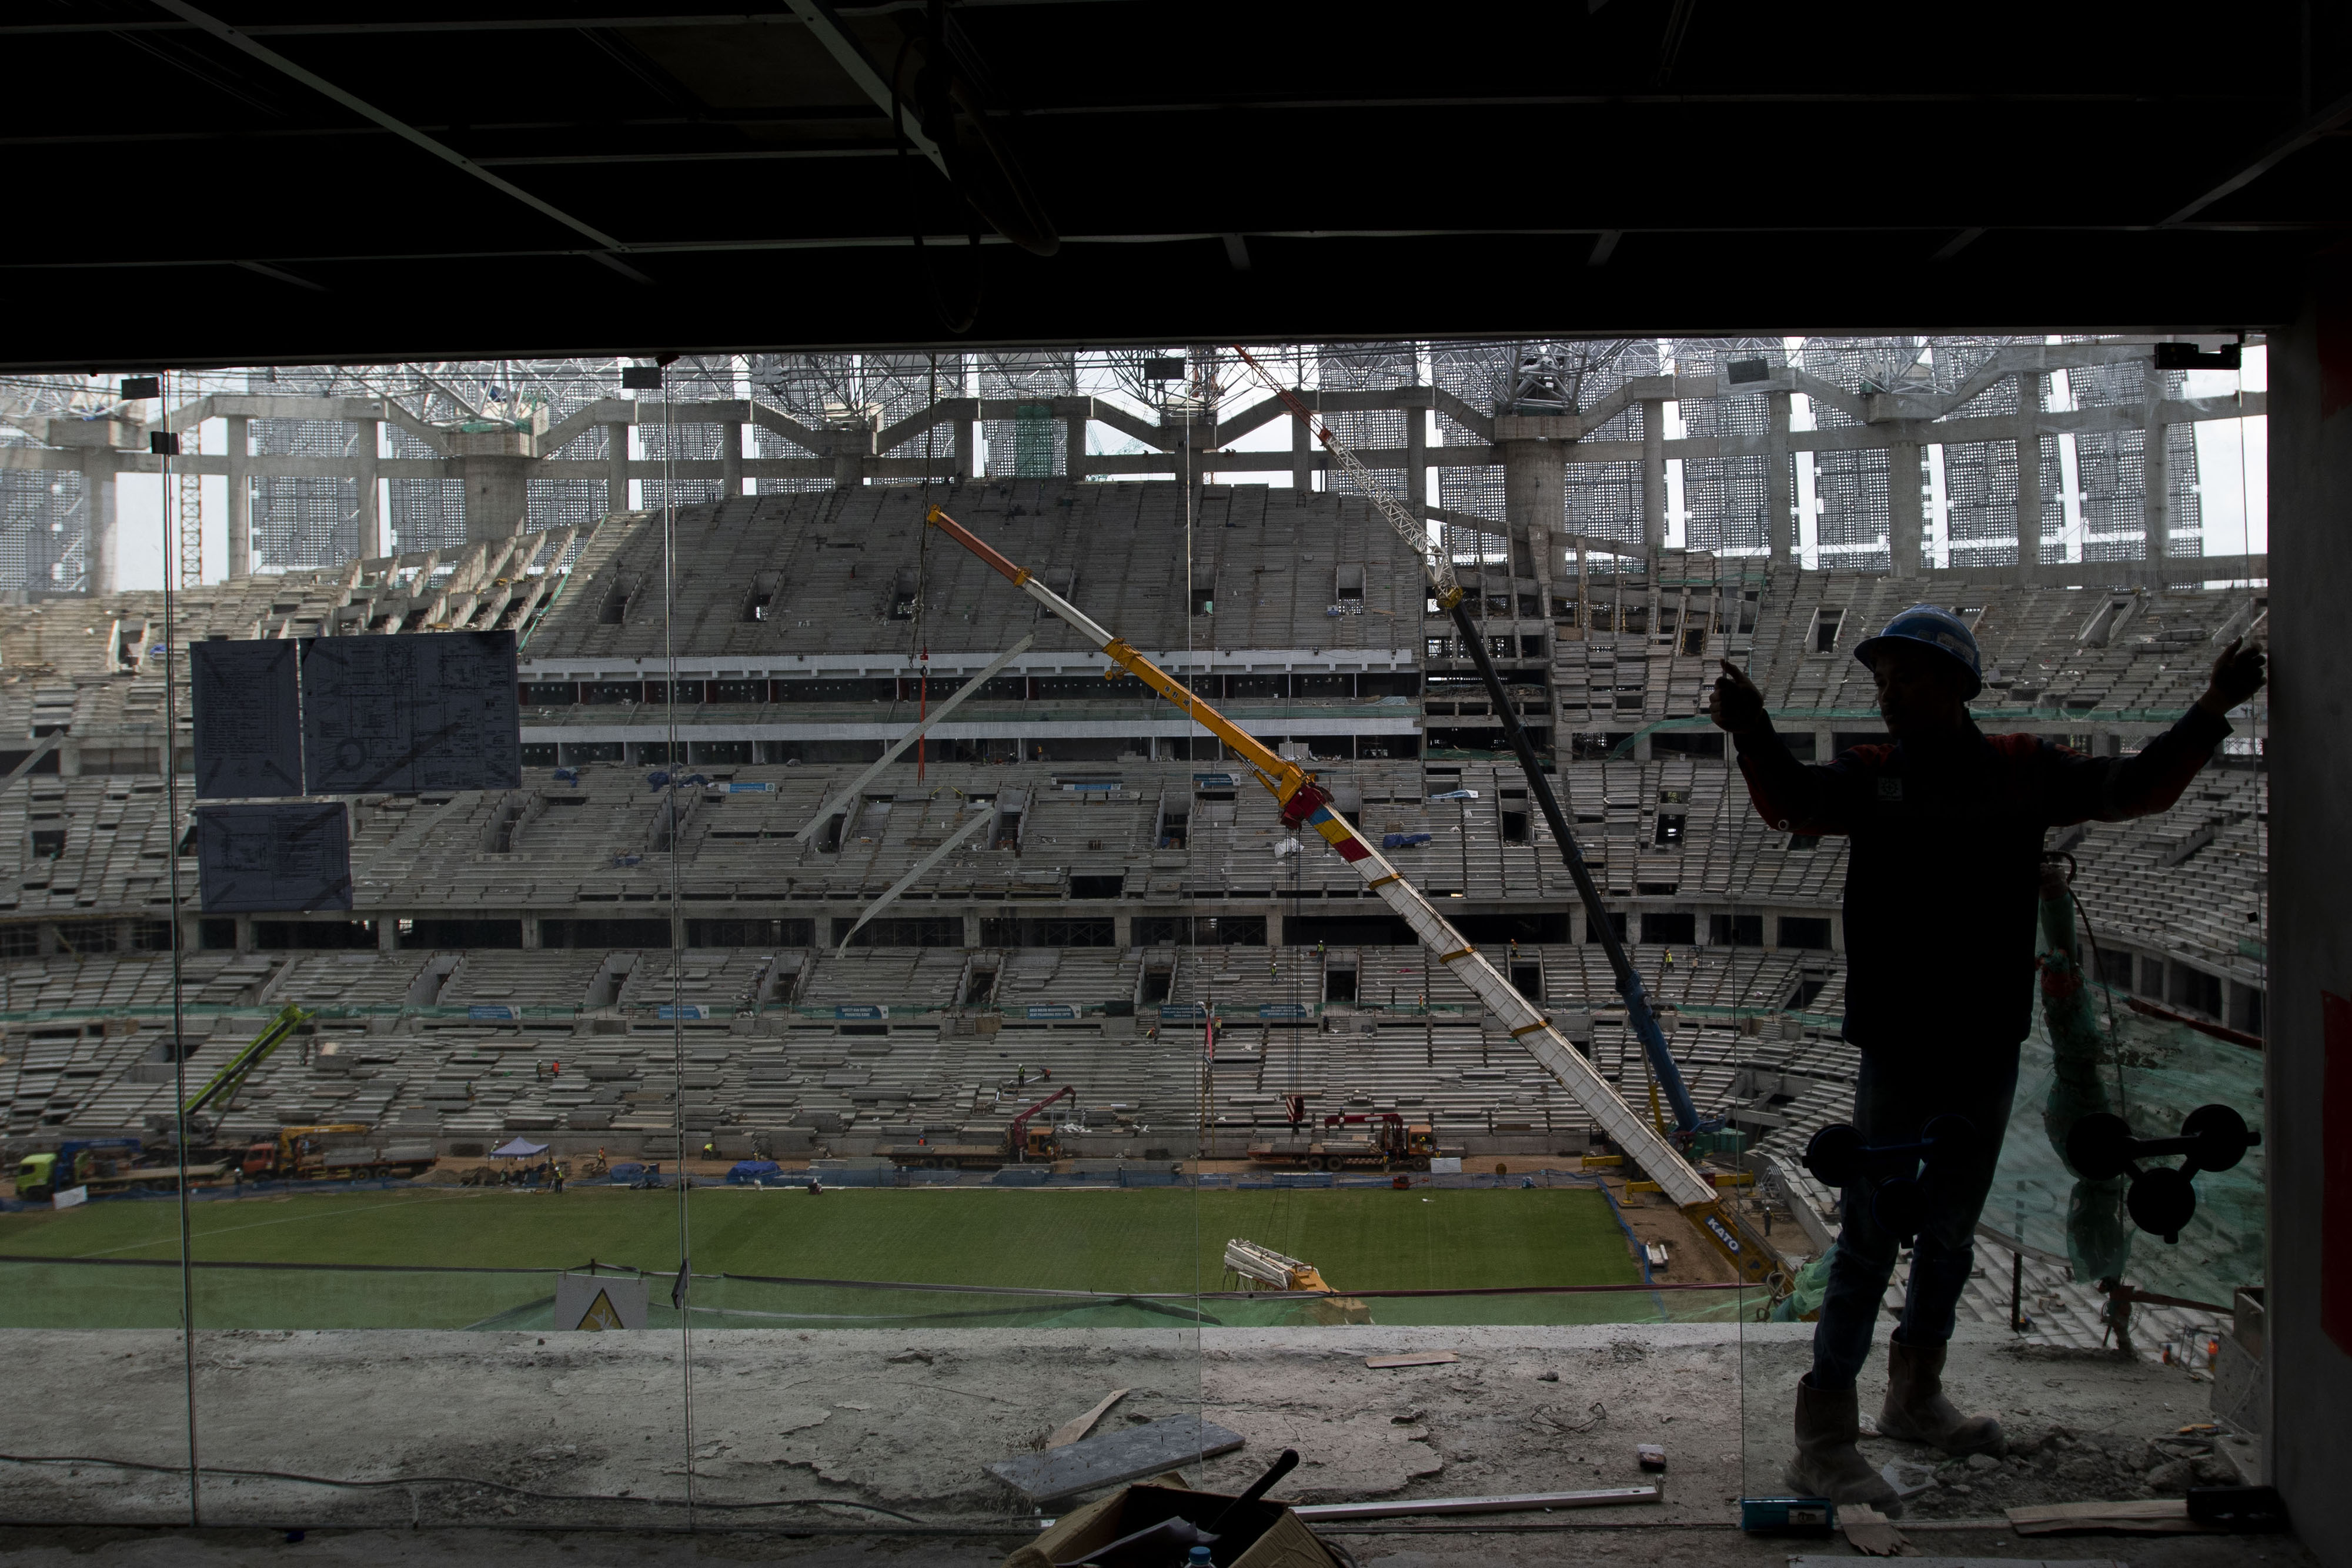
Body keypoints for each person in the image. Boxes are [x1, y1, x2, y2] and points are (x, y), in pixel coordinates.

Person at [1709, 604, 2265, 1513]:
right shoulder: (1876, 770)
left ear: (1958, 685)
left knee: (1953, 1233)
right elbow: (1794, 805)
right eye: (1880, 679)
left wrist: (2210, 709)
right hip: (1901, 1039)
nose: (1885, 693)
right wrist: (1754, 731)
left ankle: (1914, 1396)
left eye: (1905, 676)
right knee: (1869, 1239)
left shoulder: (2019, 767)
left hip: (1981, 1040)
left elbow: (2136, 790)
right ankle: (1823, 1439)